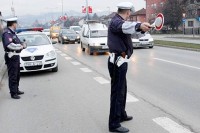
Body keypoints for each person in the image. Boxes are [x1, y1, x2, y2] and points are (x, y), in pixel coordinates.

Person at [107, 2, 152, 133]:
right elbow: (126, 26)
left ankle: (121, 114)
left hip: (121, 61)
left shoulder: (119, 22)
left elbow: (130, 32)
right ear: (127, 12)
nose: (129, 16)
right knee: (117, 92)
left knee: (122, 90)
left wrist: (143, 28)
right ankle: (114, 124)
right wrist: (139, 25)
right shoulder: (116, 22)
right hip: (117, 61)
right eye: (129, 14)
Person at [1, 17, 26, 99]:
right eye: (16, 23)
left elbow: (18, 41)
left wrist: (23, 44)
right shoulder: (7, 33)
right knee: (13, 75)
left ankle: (16, 89)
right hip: (11, 56)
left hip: (16, 56)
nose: (16, 24)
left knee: (17, 74)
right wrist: (20, 46)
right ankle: (13, 93)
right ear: (13, 24)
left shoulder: (13, 33)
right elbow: (9, 45)